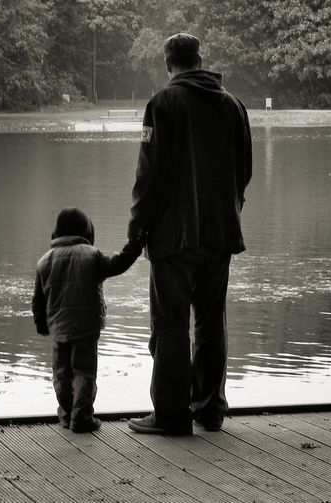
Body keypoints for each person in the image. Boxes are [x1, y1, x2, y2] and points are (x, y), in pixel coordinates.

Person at [126, 33, 252, 435]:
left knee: (170, 325)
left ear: (168, 64)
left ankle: (171, 415)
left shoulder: (162, 104)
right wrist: (230, 209)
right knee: (212, 322)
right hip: (220, 234)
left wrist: (138, 227)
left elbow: (150, 174)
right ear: (199, 60)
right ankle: (210, 408)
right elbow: (244, 169)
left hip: (172, 237)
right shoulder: (233, 105)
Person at [31, 207, 142, 433]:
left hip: (59, 329)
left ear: (55, 235)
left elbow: (38, 301)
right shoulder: (93, 255)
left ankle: (66, 413)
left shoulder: (44, 261)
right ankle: (81, 417)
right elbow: (118, 265)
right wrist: (134, 247)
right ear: (88, 234)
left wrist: (42, 325)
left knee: (61, 373)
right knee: (84, 372)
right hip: (86, 328)